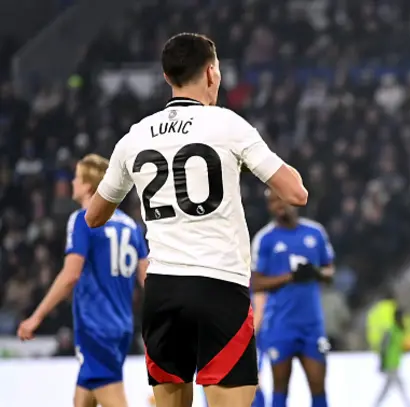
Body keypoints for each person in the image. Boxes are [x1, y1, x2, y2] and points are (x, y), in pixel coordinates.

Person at [83, 33, 307, 407]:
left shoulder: (134, 137)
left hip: (163, 292)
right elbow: (296, 193)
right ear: (211, 73)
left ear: (167, 77)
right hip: (219, 287)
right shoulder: (227, 125)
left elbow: (94, 216)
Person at [17, 154, 149, 407]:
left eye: (77, 177)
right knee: (84, 394)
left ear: (89, 185)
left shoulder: (83, 219)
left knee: (110, 392)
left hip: (95, 325)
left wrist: (37, 316)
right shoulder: (131, 227)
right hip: (121, 325)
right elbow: (147, 279)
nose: (73, 183)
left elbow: (70, 275)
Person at [250, 189, 335, 407]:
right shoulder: (265, 239)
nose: (278, 205)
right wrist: (289, 277)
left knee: (318, 384)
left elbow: (329, 272)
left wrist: (315, 273)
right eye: (272, 202)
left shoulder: (315, 233)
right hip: (280, 325)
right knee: (280, 386)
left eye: (281, 199)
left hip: (311, 325)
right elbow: (256, 283)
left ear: (292, 201)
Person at [373, 307, 410, 407]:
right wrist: (382, 362)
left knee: (389, 386)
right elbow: (384, 347)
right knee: (397, 385)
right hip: (390, 363)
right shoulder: (391, 330)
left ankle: (377, 404)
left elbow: (399, 347)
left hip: (396, 362)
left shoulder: (400, 330)